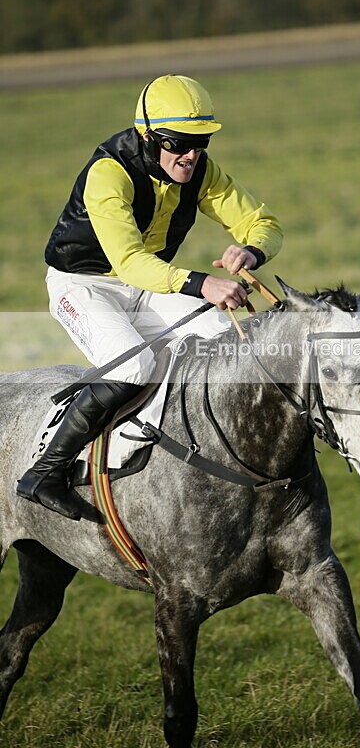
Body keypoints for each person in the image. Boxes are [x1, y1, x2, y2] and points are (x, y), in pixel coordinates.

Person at [17, 74, 283, 520]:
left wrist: (250, 250)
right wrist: (203, 284)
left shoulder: (201, 171)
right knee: (134, 365)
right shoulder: (109, 174)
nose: (192, 153)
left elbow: (265, 222)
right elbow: (130, 263)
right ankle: (45, 472)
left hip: (145, 282)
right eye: (180, 141)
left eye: (202, 141)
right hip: (83, 285)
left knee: (226, 336)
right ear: (148, 135)